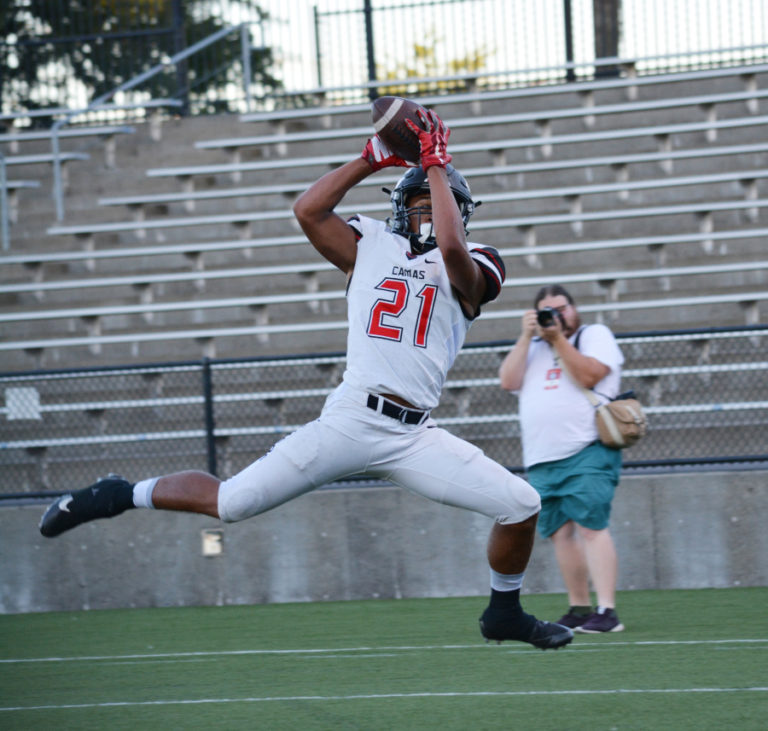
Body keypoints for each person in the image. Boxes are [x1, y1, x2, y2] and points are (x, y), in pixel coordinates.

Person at [39, 108, 573, 650]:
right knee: (232, 504)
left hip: (413, 435)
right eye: (417, 206)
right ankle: (120, 493)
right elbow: (308, 209)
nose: (430, 217)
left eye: (438, 207)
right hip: (351, 417)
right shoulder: (369, 245)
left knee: (521, 503)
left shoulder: (480, 260)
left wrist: (435, 163)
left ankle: (503, 612)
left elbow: (454, 250)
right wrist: (370, 159)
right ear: (397, 211)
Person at [498, 285, 625, 633]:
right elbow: (508, 381)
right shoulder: (534, 346)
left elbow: (589, 375)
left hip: (587, 448)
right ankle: (580, 608)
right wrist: (527, 337)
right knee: (559, 533)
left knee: (591, 527)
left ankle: (607, 611)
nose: (555, 316)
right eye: (546, 311)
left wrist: (557, 340)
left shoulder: (593, 334)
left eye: (561, 308)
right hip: (541, 457)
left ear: (574, 308)